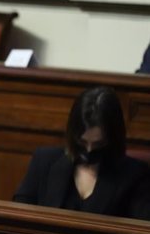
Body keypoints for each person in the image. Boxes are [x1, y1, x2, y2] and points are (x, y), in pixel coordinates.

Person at [13, 86, 150, 220]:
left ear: (112, 139)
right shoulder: (44, 161)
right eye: (82, 143)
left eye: (98, 144)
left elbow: (139, 233)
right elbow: (19, 215)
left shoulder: (134, 175)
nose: (89, 150)